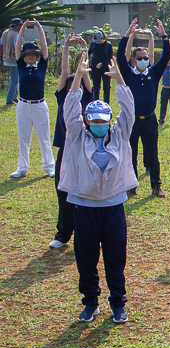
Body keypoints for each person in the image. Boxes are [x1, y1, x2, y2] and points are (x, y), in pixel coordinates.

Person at [59, 52, 137, 323]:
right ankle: (90, 302)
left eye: (105, 121)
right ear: (88, 122)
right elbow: (70, 111)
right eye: (96, 122)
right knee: (86, 260)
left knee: (116, 259)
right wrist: (79, 76)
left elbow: (129, 111)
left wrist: (119, 80)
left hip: (114, 207)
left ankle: (118, 303)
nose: (101, 126)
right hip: (85, 208)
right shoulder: (77, 136)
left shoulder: (120, 133)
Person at [116, 17, 170, 198]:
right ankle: (131, 186)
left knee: (153, 154)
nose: (144, 60)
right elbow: (119, 57)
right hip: (132, 119)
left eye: (146, 58)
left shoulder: (154, 72)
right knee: (131, 153)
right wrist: (127, 35)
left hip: (150, 118)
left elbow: (165, 57)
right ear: (134, 60)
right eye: (140, 58)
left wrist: (163, 37)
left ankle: (156, 186)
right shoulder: (128, 74)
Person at [49, 35, 94, 249]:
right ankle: (63, 234)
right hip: (66, 151)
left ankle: (90, 233)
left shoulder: (88, 98)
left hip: (85, 150)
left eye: (75, 86)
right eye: (69, 87)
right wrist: (66, 47)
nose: (72, 88)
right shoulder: (62, 98)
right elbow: (66, 73)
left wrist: (84, 48)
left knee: (86, 191)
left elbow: (83, 73)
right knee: (63, 191)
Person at [11, 19, 55, 178]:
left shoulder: (41, 65)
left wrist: (39, 28)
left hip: (39, 105)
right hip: (23, 105)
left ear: (37, 56)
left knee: (43, 137)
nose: (30, 56)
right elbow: (17, 47)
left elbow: (44, 47)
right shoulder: (21, 66)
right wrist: (23, 27)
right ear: (24, 56)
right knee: (23, 138)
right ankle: (22, 167)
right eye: (27, 54)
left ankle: (50, 166)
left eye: (33, 54)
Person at [88, 30, 113, 103]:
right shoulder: (93, 44)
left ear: (102, 38)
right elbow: (88, 53)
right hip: (95, 68)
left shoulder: (108, 45)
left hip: (105, 68)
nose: (97, 42)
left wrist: (102, 63)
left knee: (106, 87)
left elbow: (110, 58)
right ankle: (96, 103)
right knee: (96, 87)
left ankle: (106, 104)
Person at [2, 18, 23, 105]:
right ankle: (9, 99)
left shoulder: (5, 32)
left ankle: (14, 97)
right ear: (16, 25)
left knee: (15, 79)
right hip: (13, 60)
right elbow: (17, 48)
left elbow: (1, 45)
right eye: (20, 25)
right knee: (15, 81)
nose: (21, 26)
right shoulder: (15, 35)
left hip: (6, 59)